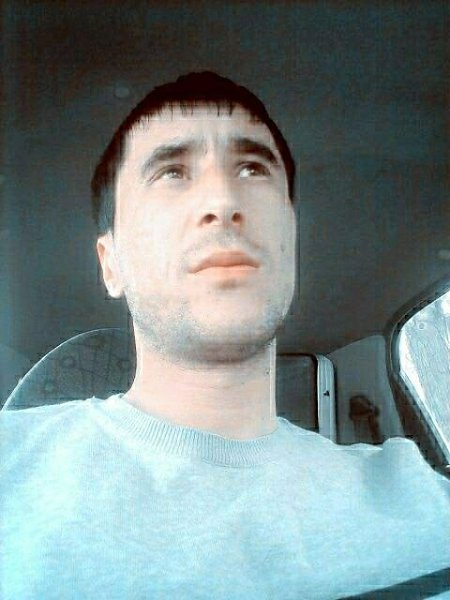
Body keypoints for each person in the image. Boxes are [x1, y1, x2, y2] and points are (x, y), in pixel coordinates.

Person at [1, 72, 449, 600]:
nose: (222, 198)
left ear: (290, 239)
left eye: (253, 168)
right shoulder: (12, 463)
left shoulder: (421, 497)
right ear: (110, 263)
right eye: (171, 172)